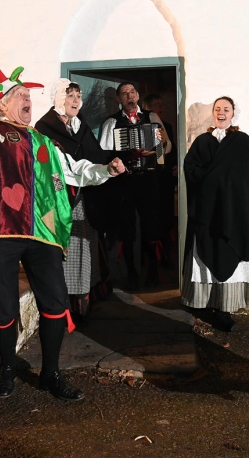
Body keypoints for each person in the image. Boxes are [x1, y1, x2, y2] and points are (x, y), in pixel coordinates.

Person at [0, 67, 125, 400]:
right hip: (0, 230)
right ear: (3, 103)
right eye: (20, 96)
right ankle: (7, 368)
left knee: (55, 300)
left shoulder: (43, 141)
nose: (28, 101)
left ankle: (51, 373)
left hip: (42, 232)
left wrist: (104, 170)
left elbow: (73, 171)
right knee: (3, 303)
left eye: (29, 97)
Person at [181, 96, 249, 332]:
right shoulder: (202, 142)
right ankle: (204, 304)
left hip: (235, 213)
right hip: (208, 213)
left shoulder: (241, 142)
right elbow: (190, 169)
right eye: (217, 109)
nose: (221, 113)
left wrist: (219, 179)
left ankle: (227, 307)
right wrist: (214, 178)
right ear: (213, 113)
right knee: (204, 256)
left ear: (233, 114)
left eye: (226, 109)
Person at [35, 80, 113, 315]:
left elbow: (96, 156)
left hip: (85, 198)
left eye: (78, 96)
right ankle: (65, 305)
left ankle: (84, 300)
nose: (76, 101)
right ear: (59, 99)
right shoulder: (45, 127)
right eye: (71, 96)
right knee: (67, 250)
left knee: (86, 249)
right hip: (61, 199)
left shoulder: (81, 127)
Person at [99, 81, 171, 289]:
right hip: (124, 182)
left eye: (132, 92)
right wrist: (127, 155)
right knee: (127, 227)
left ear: (138, 95)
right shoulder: (111, 123)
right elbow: (104, 154)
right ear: (119, 99)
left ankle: (152, 271)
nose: (129, 97)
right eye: (124, 94)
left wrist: (156, 149)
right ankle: (131, 272)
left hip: (148, 180)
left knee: (151, 225)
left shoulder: (153, 118)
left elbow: (165, 150)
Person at [143, 93, 178, 259]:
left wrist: (175, 165)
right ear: (148, 108)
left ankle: (166, 254)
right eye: (157, 105)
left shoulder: (167, 127)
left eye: (161, 104)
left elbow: (172, 150)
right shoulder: (142, 125)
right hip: (148, 179)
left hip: (165, 177)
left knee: (166, 215)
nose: (161, 108)